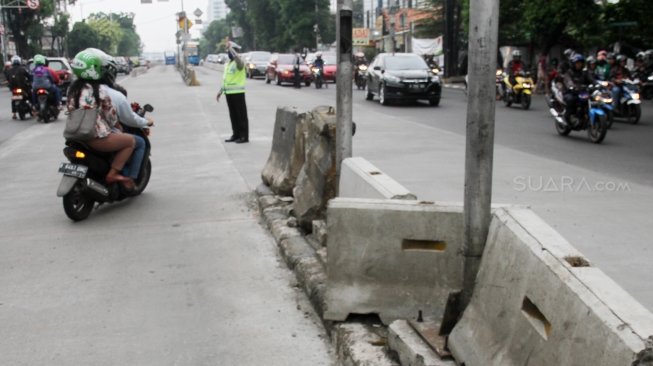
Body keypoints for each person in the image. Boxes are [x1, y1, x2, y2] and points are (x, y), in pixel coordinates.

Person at [68, 49, 136, 190]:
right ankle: (113, 174)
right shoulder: (99, 91)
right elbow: (111, 116)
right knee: (130, 141)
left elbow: (69, 109)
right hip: (96, 137)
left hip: (74, 136)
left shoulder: (72, 90)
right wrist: (119, 126)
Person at [85, 48, 154, 181]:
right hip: (97, 135)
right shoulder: (106, 94)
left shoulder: (75, 91)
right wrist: (145, 121)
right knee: (136, 142)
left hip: (76, 135)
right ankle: (125, 177)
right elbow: (120, 119)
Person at [216, 42, 249, 144]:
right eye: (228, 51)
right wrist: (220, 91)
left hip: (238, 92)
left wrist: (231, 49)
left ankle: (244, 136)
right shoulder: (228, 64)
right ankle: (236, 134)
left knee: (241, 116)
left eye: (230, 51)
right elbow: (226, 79)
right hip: (229, 93)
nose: (229, 53)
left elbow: (238, 61)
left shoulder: (240, 62)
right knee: (233, 115)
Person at [563, 53, 595, 123]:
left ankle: (583, 115)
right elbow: (568, 82)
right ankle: (568, 117)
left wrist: (596, 84)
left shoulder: (584, 72)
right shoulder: (569, 72)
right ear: (573, 64)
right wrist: (573, 87)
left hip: (583, 92)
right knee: (571, 99)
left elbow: (591, 79)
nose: (579, 64)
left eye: (580, 63)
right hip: (571, 92)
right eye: (577, 63)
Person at [5, 56, 32, 120]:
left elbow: (8, 79)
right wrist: (30, 81)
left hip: (13, 88)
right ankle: (33, 109)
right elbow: (29, 76)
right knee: (30, 95)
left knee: (13, 99)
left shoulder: (9, 70)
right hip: (23, 87)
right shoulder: (23, 69)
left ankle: (14, 114)